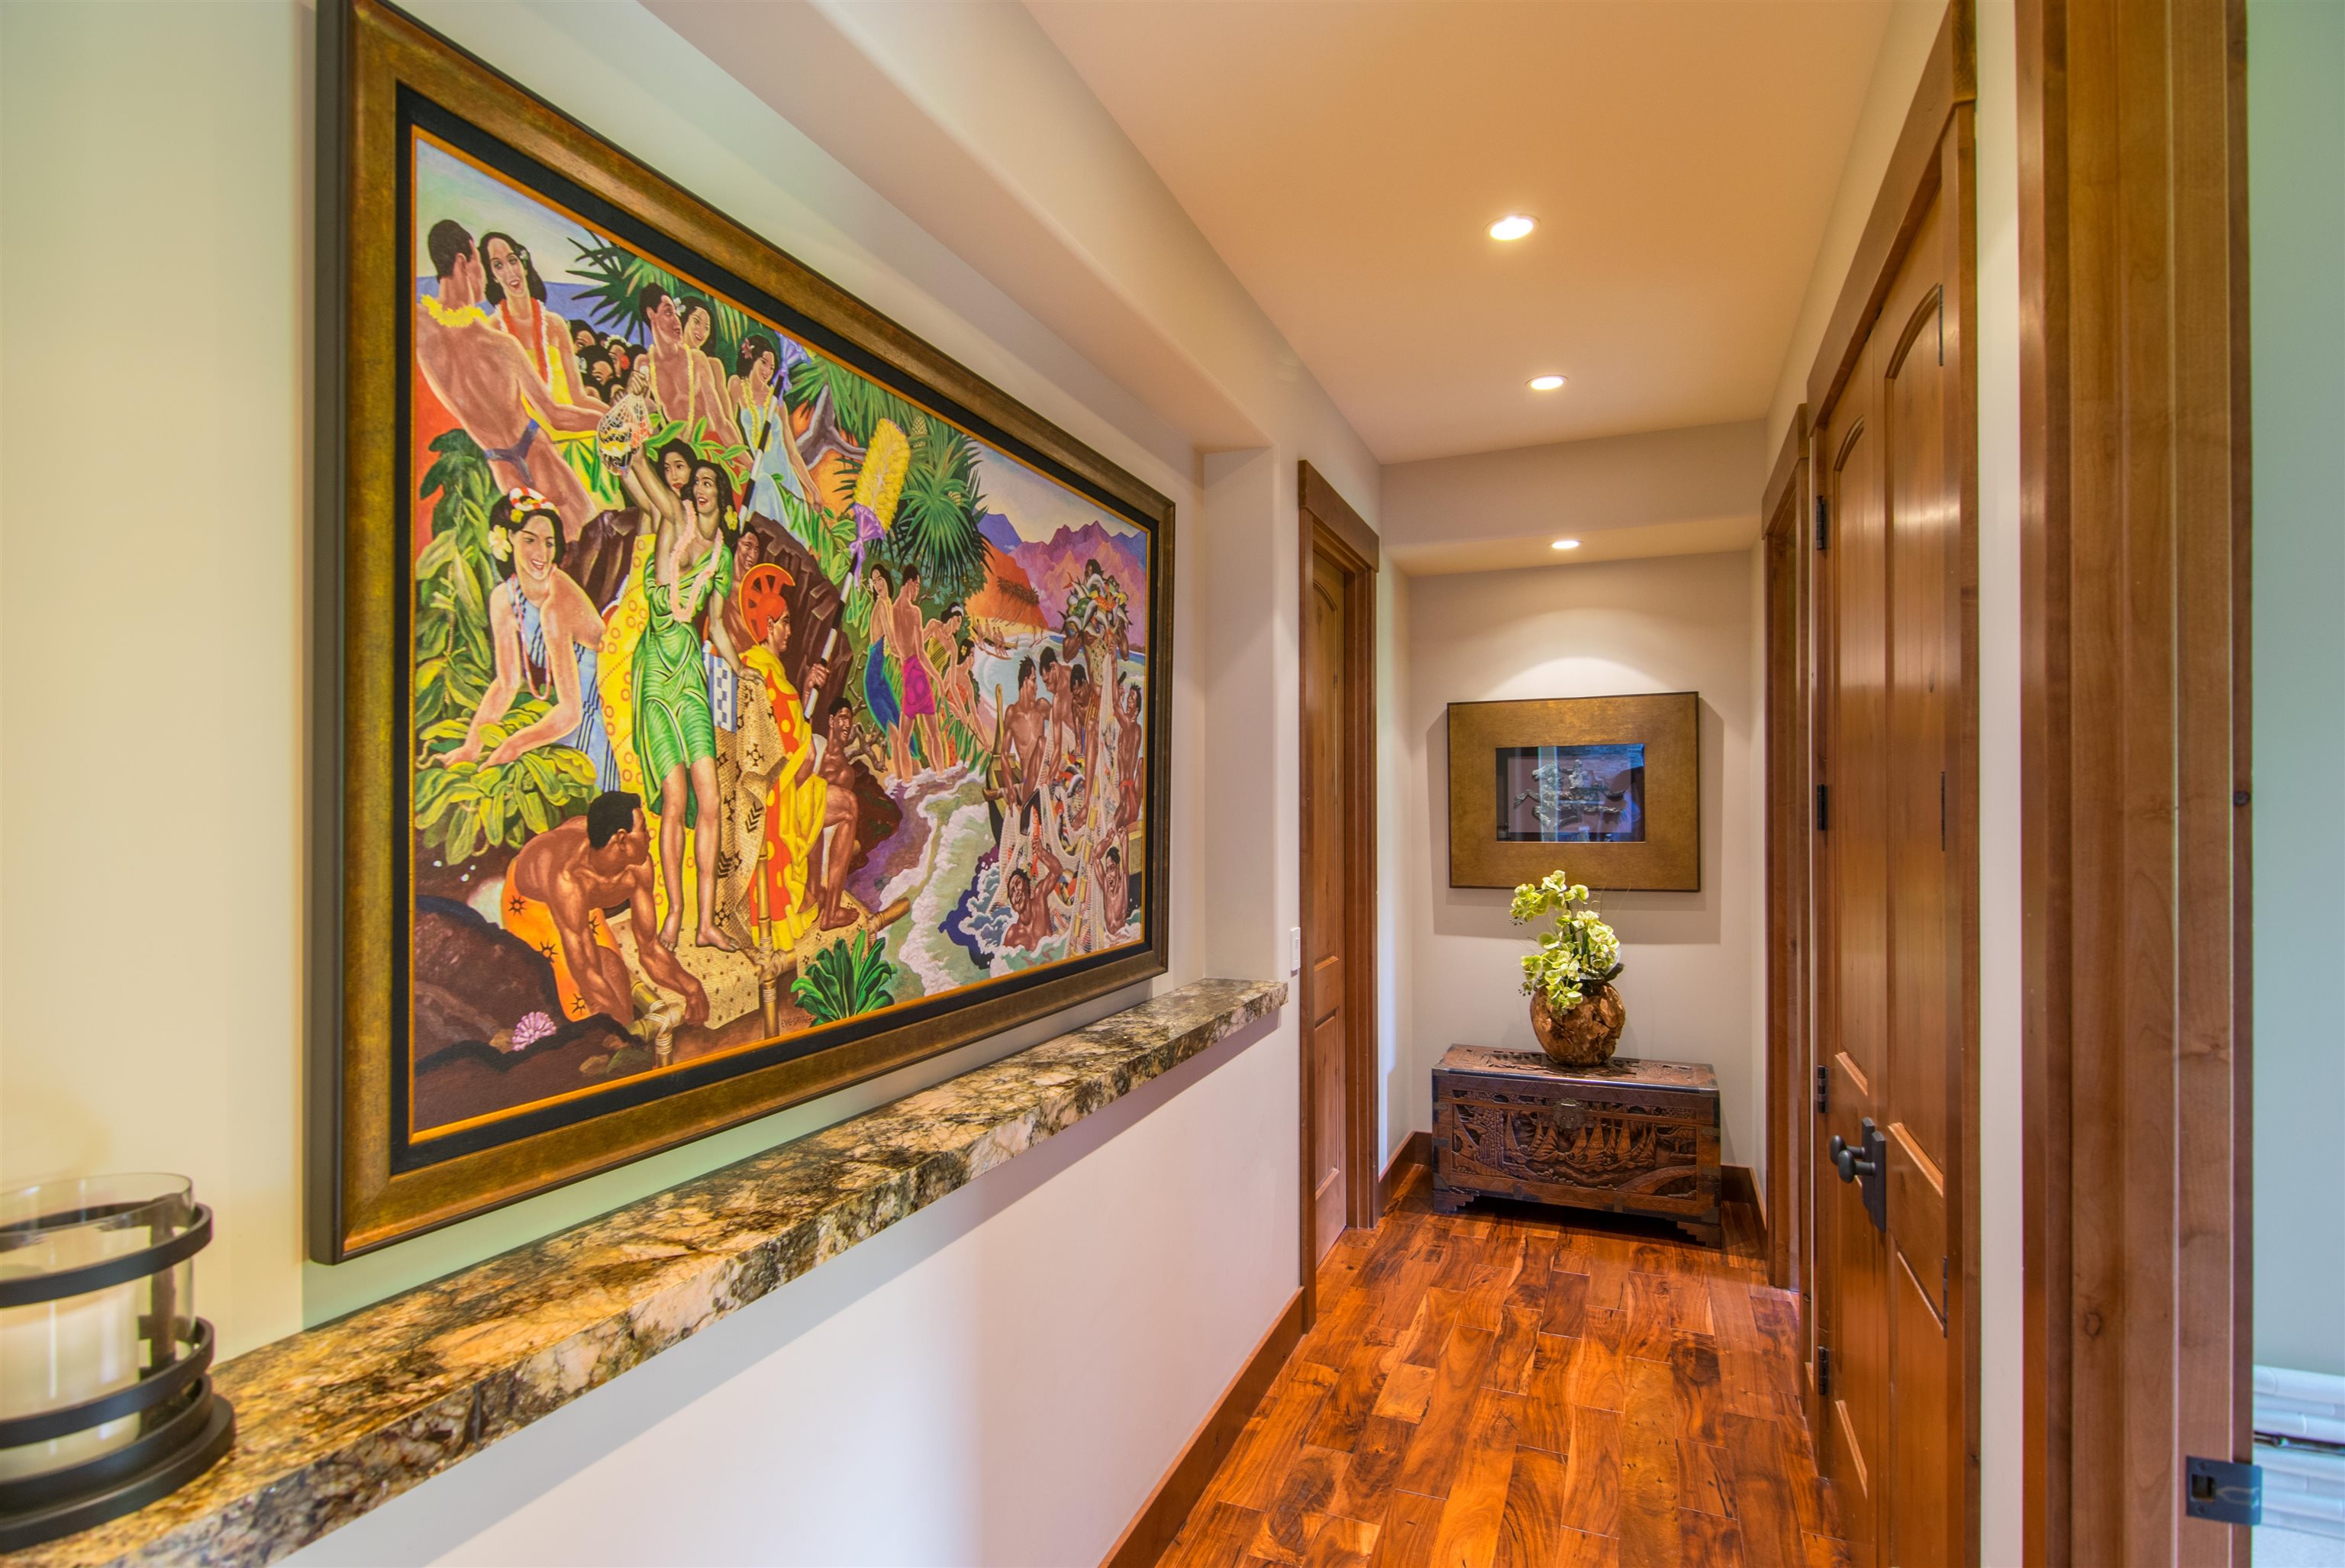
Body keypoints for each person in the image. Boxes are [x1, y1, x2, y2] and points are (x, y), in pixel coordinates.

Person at [618, 433, 739, 951]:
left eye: (711, 482)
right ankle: (676, 914)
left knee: (709, 797)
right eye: (698, 482)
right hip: (655, 673)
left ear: (722, 496)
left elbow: (718, 625)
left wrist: (740, 670)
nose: (701, 488)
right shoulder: (675, 521)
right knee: (675, 798)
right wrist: (633, 447)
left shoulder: (722, 557)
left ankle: (706, 923)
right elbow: (646, 480)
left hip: (690, 674)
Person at [413, 219, 602, 538]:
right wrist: (612, 422)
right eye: (482, 263)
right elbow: (555, 415)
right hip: (538, 454)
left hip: (502, 468)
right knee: (593, 541)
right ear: (463, 262)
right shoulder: (499, 344)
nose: (485, 275)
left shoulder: (418, 325)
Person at [437, 489, 616, 787]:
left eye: (549, 543)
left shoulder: (557, 603)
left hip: (601, 715)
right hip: (565, 719)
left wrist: (515, 744)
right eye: (530, 540)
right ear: (508, 538)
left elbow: (571, 713)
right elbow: (507, 683)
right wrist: (471, 748)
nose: (542, 554)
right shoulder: (504, 598)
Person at [500, 790, 708, 1028]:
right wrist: (622, 1032)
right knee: (586, 1000)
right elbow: (585, 970)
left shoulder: (637, 867)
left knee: (615, 979)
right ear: (622, 840)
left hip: (584, 895)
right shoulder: (569, 880)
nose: (649, 835)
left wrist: (692, 989)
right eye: (643, 829)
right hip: (530, 903)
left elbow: (650, 951)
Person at [721, 564, 832, 951]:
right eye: (784, 622)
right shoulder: (757, 670)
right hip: (769, 792)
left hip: (782, 784)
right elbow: (775, 744)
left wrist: (806, 688)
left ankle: (815, 898)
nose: (790, 631)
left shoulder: (770, 670)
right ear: (769, 625)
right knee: (818, 798)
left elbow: (789, 728)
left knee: (822, 793)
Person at [729, 333, 818, 520]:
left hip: (786, 479)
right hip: (758, 473)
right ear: (751, 358)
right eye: (763, 362)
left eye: (772, 367)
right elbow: (729, 426)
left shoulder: (777, 402)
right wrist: (746, 463)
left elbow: (792, 452)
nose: (767, 371)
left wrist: (812, 489)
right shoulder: (736, 385)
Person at [814, 700, 873, 931]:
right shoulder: (815, 745)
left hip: (812, 821)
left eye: (850, 720)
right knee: (850, 804)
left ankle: (830, 908)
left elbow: (829, 830)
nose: (847, 724)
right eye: (843, 718)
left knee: (847, 807)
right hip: (797, 808)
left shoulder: (846, 772)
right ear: (831, 720)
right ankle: (828, 909)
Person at [679, 297, 736, 431]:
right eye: (697, 322)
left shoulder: (713, 365)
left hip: (708, 435)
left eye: (706, 328)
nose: (701, 332)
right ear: (685, 319)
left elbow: (727, 416)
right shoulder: (666, 357)